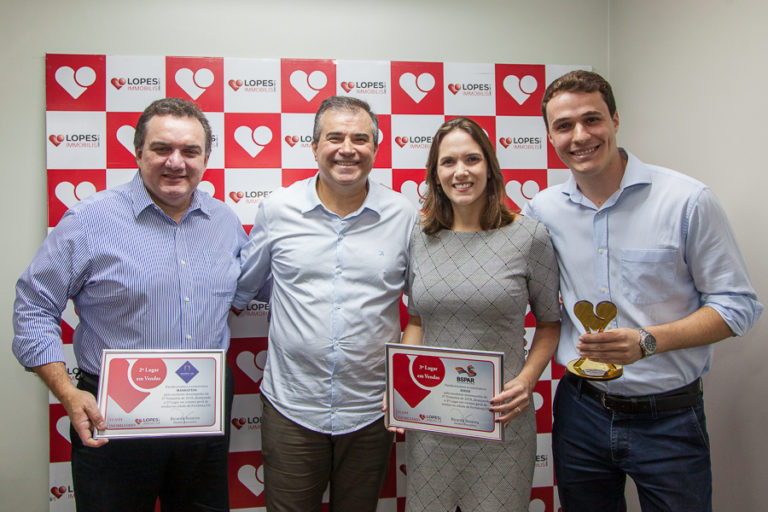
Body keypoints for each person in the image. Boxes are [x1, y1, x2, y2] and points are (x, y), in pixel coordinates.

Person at [522, 70, 763, 511]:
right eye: (563, 126)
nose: (580, 136)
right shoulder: (543, 210)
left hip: (669, 418)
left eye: (592, 119)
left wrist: (649, 341)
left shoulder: (687, 201)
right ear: (550, 136)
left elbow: (738, 306)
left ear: (615, 119)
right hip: (581, 410)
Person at [13, 97, 246, 512]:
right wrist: (66, 393)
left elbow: (254, 291)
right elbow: (33, 307)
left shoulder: (225, 222)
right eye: (161, 149)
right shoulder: (90, 220)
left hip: (201, 408)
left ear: (206, 158)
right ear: (138, 152)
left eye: (190, 151)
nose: (176, 162)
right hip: (114, 413)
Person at [233, 96, 419, 512]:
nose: (347, 148)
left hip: (371, 411)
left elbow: (422, 307)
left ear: (376, 146)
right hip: (292, 408)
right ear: (314, 146)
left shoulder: (403, 215)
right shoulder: (278, 210)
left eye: (360, 138)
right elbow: (242, 291)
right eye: (334, 137)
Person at [398, 117, 561, 511]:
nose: (461, 172)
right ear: (435, 175)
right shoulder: (420, 236)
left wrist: (526, 381)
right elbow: (417, 320)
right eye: (448, 162)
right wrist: (402, 384)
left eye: (472, 159)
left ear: (490, 167)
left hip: (500, 418)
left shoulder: (529, 237)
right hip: (432, 424)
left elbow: (550, 322)